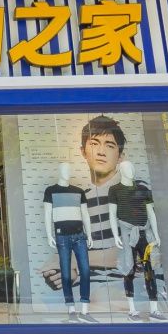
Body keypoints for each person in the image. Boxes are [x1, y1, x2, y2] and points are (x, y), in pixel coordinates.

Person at [41, 115, 125, 294]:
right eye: (94, 143)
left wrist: (69, 261)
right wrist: (64, 272)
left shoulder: (131, 190)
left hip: (128, 284)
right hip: (91, 286)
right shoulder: (80, 195)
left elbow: (130, 250)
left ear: (120, 156)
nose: (101, 152)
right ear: (83, 151)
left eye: (110, 145)